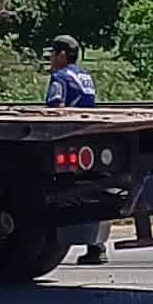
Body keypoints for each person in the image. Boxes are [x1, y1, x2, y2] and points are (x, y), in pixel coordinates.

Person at [46, 35, 109, 265]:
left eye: (53, 53)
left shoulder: (60, 77)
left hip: (69, 138)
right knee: (91, 191)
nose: (51, 58)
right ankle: (96, 245)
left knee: (67, 191)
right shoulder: (85, 76)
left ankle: (54, 236)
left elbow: (55, 108)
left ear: (62, 55)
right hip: (89, 136)